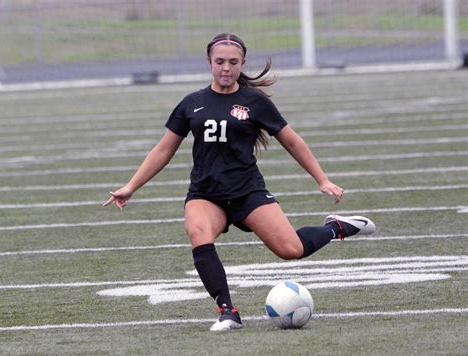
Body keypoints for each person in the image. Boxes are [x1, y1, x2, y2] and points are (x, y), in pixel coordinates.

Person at [103, 33, 376, 331]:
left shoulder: (253, 102)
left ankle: (336, 227)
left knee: (291, 250)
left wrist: (322, 179)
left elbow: (292, 141)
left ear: (242, 63)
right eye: (219, 61)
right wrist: (131, 186)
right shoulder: (192, 103)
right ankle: (228, 311)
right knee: (198, 233)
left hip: (247, 192)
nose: (226, 68)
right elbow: (163, 150)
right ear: (209, 62)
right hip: (206, 194)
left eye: (233, 62)